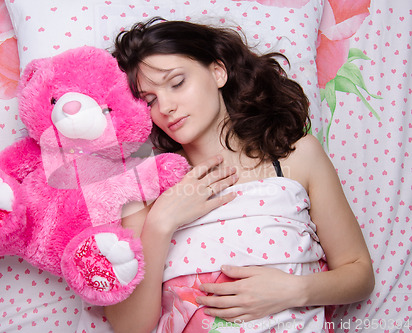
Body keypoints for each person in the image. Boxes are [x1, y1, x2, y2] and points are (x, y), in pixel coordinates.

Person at [104, 17, 374, 333]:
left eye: (177, 83)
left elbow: (360, 274)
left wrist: (294, 289)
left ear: (218, 72)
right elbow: (129, 327)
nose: (165, 106)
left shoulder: (297, 157)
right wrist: (160, 224)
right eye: (149, 100)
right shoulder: (144, 187)